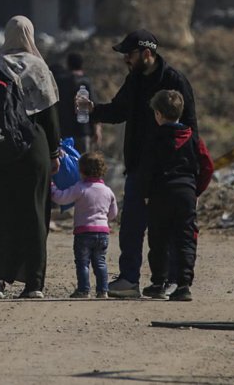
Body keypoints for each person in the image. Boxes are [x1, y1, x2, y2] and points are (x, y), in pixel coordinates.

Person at [77, 29, 197, 299]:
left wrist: (191, 170)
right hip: (139, 167)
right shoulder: (134, 80)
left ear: (146, 53)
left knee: (165, 229)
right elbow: (119, 111)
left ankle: (172, 282)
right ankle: (129, 279)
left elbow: (191, 129)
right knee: (132, 225)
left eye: (128, 55)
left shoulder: (174, 80)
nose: (125, 60)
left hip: (169, 171)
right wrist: (93, 109)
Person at [0, 16, 60, 300]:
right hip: (33, 147)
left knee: (0, 214)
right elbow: (49, 115)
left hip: (0, 149)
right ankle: (33, 283)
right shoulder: (39, 67)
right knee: (34, 213)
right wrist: (55, 152)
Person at [142, 90, 199, 302]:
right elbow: (206, 165)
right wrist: (195, 189)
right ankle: (183, 284)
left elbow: (147, 168)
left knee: (158, 239)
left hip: (160, 193)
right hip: (185, 193)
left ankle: (158, 282)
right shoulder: (192, 137)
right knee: (185, 238)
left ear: (157, 114)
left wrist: (145, 193)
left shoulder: (154, 138)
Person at [50, 152, 118, 299]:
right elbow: (113, 214)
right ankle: (102, 291)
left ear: (80, 170)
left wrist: (52, 187)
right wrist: (104, 220)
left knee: (83, 263)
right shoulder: (108, 191)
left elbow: (61, 198)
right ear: (103, 170)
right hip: (102, 232)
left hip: (83, 232)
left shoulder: (80, 188)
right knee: (100, 262)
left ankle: (83, 290)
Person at [52, 52, 101, 153]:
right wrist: (97, 130)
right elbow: (93, 107)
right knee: (82, 164)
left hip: (64, 132)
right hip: (83, 131)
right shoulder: (85, 82)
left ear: (68, 65)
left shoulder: (59, 81)